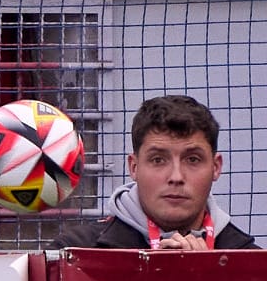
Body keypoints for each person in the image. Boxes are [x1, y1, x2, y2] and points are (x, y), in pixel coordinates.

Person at [54, 94, 257, 250]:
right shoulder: (75, 253)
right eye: (158, 160)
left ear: (216, 167)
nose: (176, 177)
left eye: (192, 159)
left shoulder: (251, 263)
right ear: (134, 167)